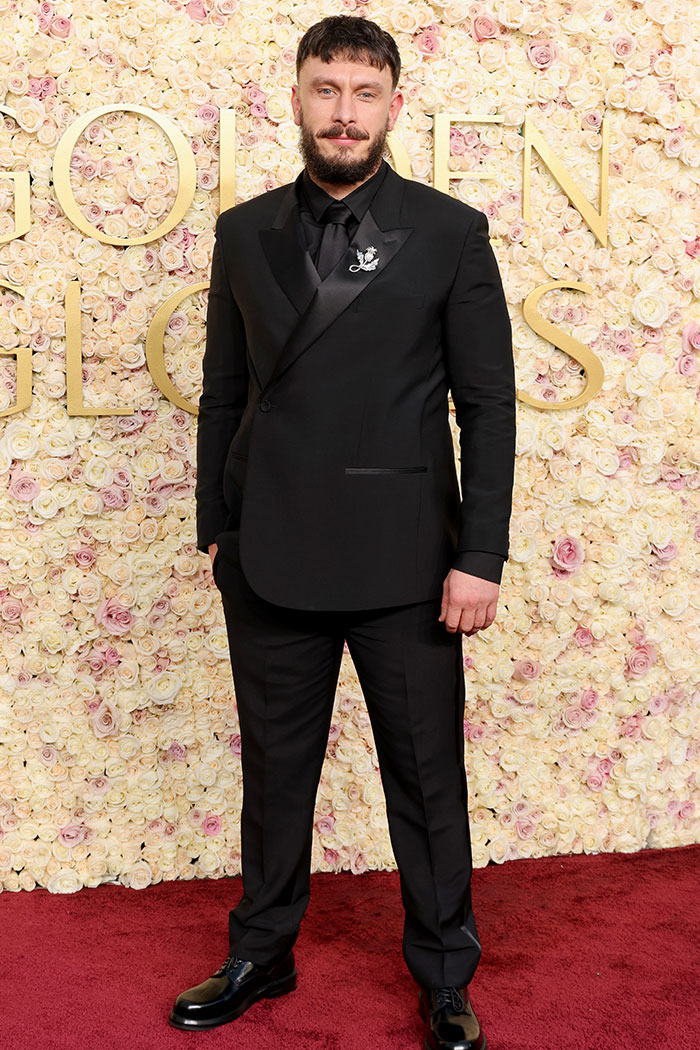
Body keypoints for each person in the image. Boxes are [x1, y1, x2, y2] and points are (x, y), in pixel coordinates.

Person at [170, 14, 515, 1050]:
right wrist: (217, 528)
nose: (344, 113)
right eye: (326, 90)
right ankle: (259, 953)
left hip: (408, 558)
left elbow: (487, 405)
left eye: (365, 94)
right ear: (296, 96)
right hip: (269, 551)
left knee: (425, 776)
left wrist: (479, 556)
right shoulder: (242, 232)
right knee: (275, 773)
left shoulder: (449, 230)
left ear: (394, 105)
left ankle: (446, 975)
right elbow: (223, 392)